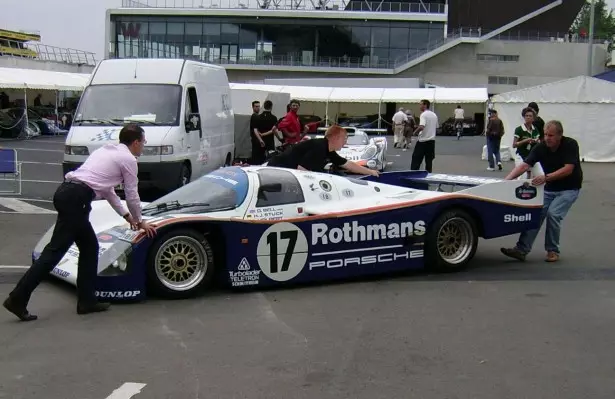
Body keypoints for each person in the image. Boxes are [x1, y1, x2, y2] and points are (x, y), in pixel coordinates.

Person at [3, 124, 157, 321]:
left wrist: (128, 217)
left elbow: (108, 191)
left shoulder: (107, 151)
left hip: (67, 192)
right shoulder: (128, 159)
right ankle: (17, 298)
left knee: (89, 248)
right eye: (143, 142)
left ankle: (87, 301)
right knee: (53, 253)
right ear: (135, 142)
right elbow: (132, 194)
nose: (143, 146)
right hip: (77, 199)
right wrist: (140, 221)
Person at [500, 120, 582, 263]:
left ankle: (552, 250)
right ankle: (521, 250)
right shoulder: (541, 147)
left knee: (553, 214)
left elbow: (569, 169)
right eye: (545, 135)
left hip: (569, 188)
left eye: (551, 135)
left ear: (560, 135)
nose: (547, 138)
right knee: (536, 213)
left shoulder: (570, 144)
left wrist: (546, 177)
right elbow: (524, 165)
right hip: (550, 188)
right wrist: (505, 182)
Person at [267, 124, 379, 176]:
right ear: (335, 137)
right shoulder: (319, 147)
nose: (346, 142)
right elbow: (302, 171)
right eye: (344, 139)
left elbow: (348, 164)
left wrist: (370, 172)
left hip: (280, 170)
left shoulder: (327, 149)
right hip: (276, 170)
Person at [410, 99, 438, 173]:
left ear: (425, 105)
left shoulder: (423, 114)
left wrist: (415, 132)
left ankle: (413, 176)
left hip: (423, 141)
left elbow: (422, 126)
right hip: (431, 141)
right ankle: (428, 176)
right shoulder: (434, 115)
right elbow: (436, 126)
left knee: (416, 160)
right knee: (429, 161)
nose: (420, 106)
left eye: (421, 104)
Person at [513, 107, 540, 178]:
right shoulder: (519, 129)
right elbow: (514, 145)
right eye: (526, 116)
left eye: (530, 116)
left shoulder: (535, 129)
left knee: (539, 174)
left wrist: (537, 141)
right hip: (521, 155)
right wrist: (525, 141)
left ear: (533, 118)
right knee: (522, 176)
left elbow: (538, 141)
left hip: (532, 156)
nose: (528, 117)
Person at [249, 100, 263, 164]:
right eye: (256, 106)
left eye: (259, 106)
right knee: (256, 158)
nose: (258, 108)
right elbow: (255, 129)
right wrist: (260, 140)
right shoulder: (255, 116)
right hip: (256, 140)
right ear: (253, 107)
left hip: (255, 140)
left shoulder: (255, 116)